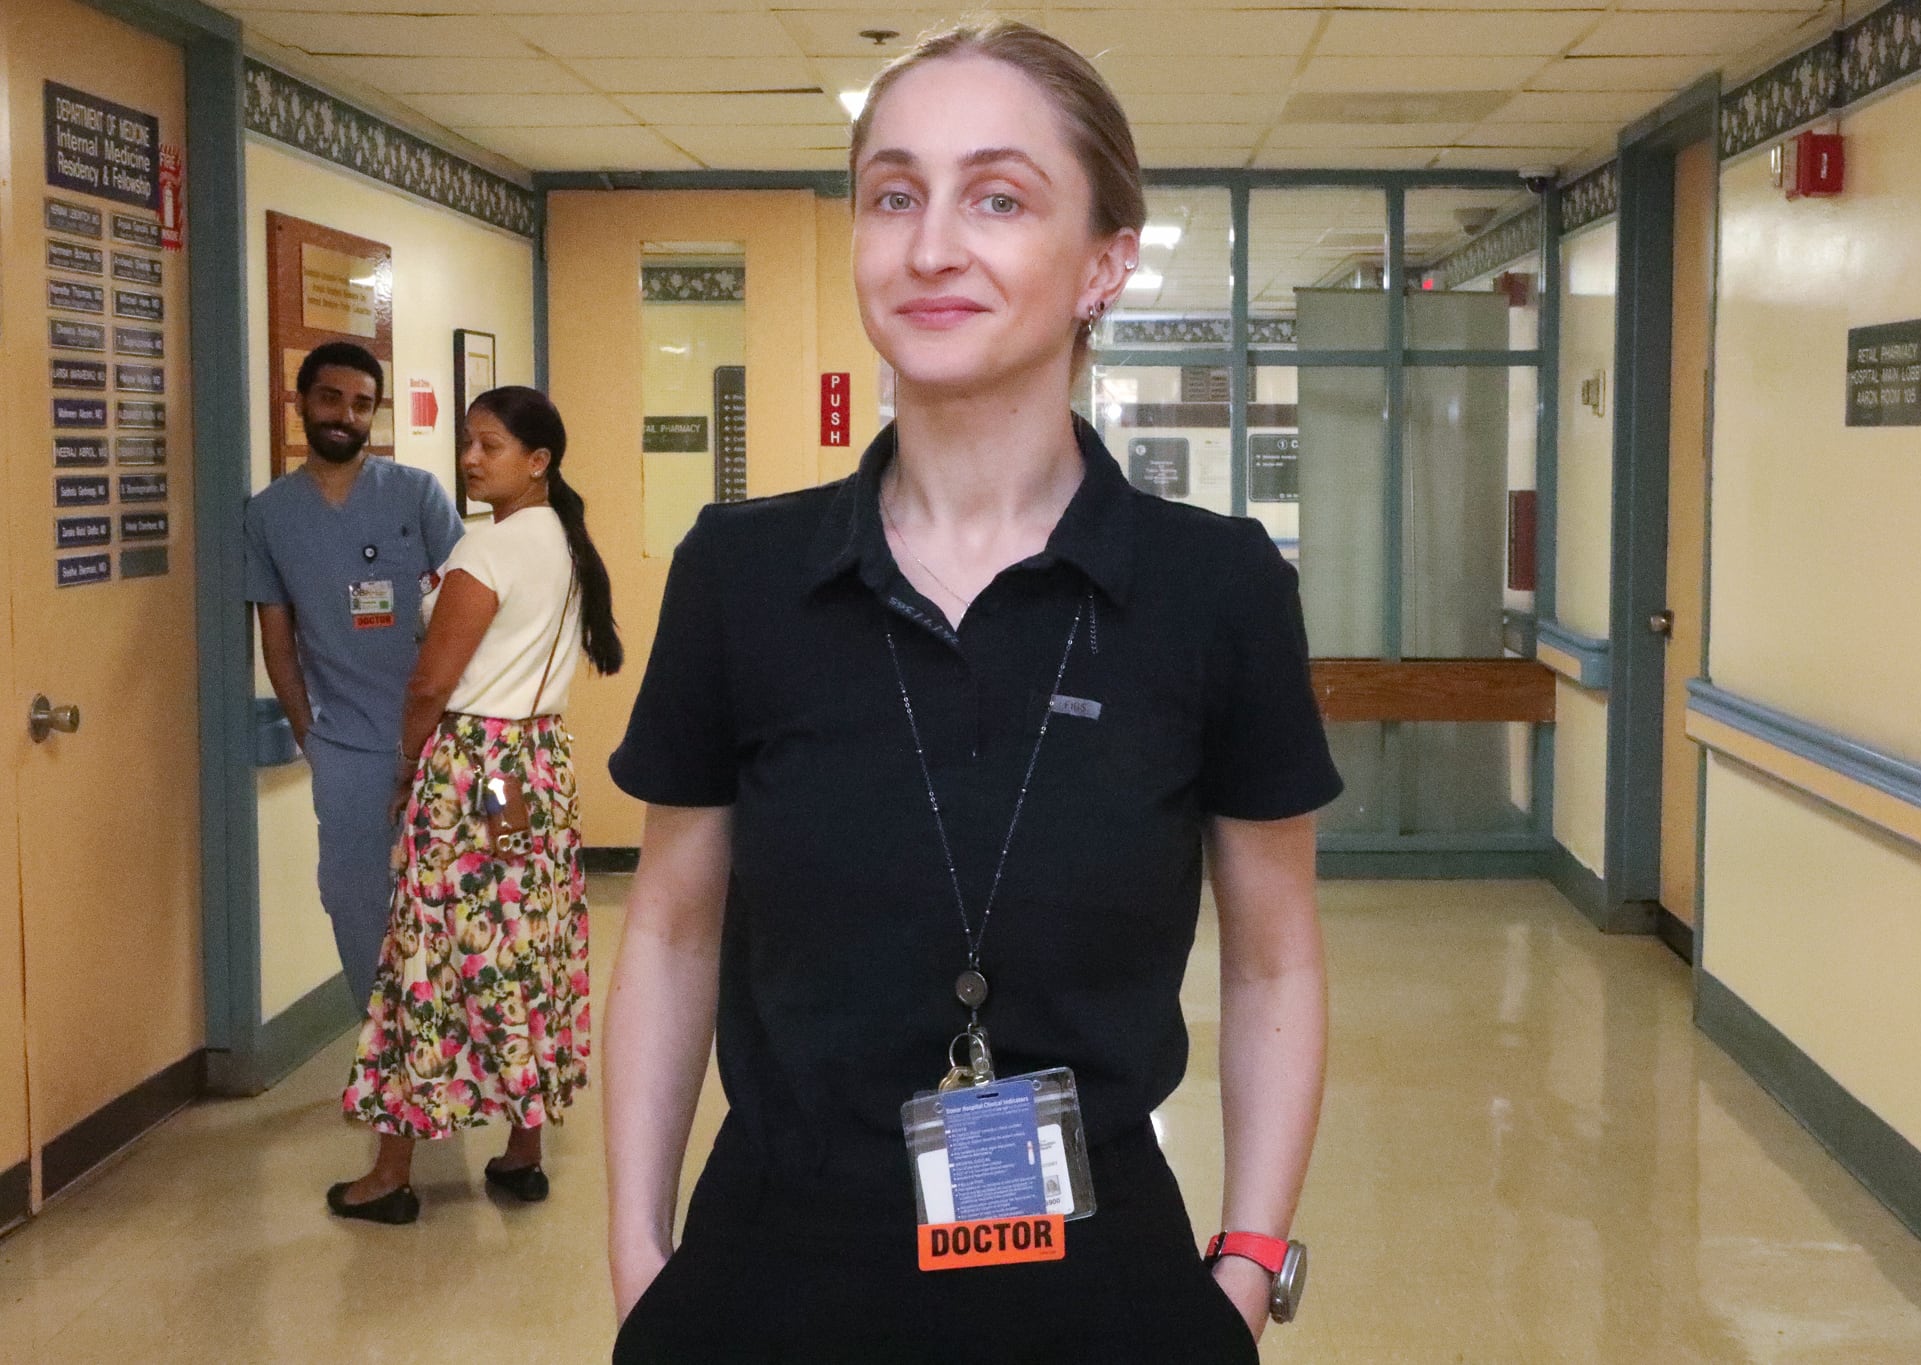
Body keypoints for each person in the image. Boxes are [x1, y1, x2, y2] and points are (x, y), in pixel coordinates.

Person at [604, 19, 1339, 1362]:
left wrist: (1245, 1261)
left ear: (1103, 263)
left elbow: (1277, 950)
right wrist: (639, 1258)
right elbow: (669, 933)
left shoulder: (1213, 589)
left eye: (997, 198)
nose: (931, 245)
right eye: (894, 195)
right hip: (774, 1264)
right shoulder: (743, 574)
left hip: (1101, 1276)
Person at [326, 386, 622, 1224]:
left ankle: (390, 1172)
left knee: (427, 950)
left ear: (538, 462)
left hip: (473, 764)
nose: (469, 458)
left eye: (488, 446)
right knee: (522, 942)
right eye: (466, 442)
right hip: (530, 767)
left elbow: (430, 683)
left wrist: (407, 764)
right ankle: (523, 1152)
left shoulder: (485, 556)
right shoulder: (563, 539)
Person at [246, 341, 466, 1012]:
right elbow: (276, 634)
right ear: (301, 403)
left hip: (438, 739)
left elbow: (468, 602)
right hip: (345, 747)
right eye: (331, 398)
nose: (346, 415)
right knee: (353, 899)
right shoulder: (269, 514)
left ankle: (448, 1045)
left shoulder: (414, 493)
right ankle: (385, 1048)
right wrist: (311, 733)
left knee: (448, 897)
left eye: (362, 403)